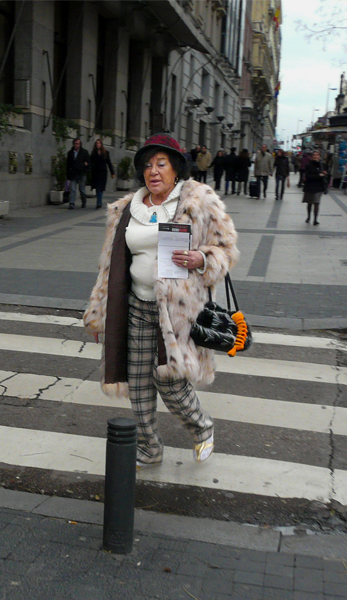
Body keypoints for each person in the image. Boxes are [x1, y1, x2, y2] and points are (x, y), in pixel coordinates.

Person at [83, 133, 239, 466]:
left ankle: (201, 427)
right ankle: (150, 447)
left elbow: (226, 250)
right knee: (138, 385)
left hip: (178, 312)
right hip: (135, 306)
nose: (153, 171)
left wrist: (202, 259)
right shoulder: (127, 208)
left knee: (169, 379)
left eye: (161, 164)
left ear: (176, 168)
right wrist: (98, 314)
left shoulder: (198, 202)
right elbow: (109, 264)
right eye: (148, 165)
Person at [303, 150, 328, 226]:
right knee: (309, 203)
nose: (316, 156)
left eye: (317, 155)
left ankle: (315, 220)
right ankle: (308, 217)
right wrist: (318, 175)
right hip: (310, 186)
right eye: (314, 155)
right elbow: (307, 176)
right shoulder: (308, 165)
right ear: (312, 157)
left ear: (319, 157)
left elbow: (327, 176)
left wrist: (325, 174)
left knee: (316, 203)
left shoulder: (323, 165)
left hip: (319, 186)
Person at [89, 139, 115, 209]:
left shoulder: (105, 153)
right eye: (97, 143)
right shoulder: (94, 153)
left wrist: (112, 173)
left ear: (101, 145)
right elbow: (90, 163)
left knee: (101, 188)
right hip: (96, 172)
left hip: (103, 172)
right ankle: (98, 202)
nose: (98, 145)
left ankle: (99, 201)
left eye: (99, 143)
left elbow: (109, 163)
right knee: (97, 188)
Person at [65, 138, 90, 209]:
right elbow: (68, 164)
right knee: (72, 189)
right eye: (75, 143)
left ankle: (84, 201)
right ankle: (72, 203)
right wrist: (68, 175)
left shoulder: (84, 152)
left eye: (77, 144)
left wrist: (86, 167)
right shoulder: (70, 153)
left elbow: (88, 163)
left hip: (81, 174)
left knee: (82, 190)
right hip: (73, 174)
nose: (76, 145)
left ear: (80, 144)